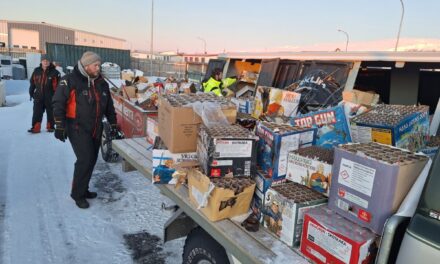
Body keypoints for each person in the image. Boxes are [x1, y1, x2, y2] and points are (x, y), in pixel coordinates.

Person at [52, 51, 118, 209]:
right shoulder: (70, 81)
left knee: (92, 160)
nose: (98, 68)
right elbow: (58, 103)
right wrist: (59, 125)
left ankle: (83, 188)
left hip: (95, 126)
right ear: (86, 65)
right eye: (95, 65)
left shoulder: (101, 83)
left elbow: (108, 105)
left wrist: (113, 123)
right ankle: (77, 194)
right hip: (77, 127)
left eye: (99, 65)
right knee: (85, 160)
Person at [28, 54, 61, 133]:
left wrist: (57, 97)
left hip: (51, 97)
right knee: (37, 112)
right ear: (41, 61)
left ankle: (51, 127)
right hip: (38, 96)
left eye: (47, 61)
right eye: (44, 61)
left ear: (50, 62)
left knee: (51, 113)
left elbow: (59, 86)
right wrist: (31, 93)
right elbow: (32, 83)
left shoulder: (55, 72)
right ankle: (36, 127)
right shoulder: (36, 71)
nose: (45, 62)